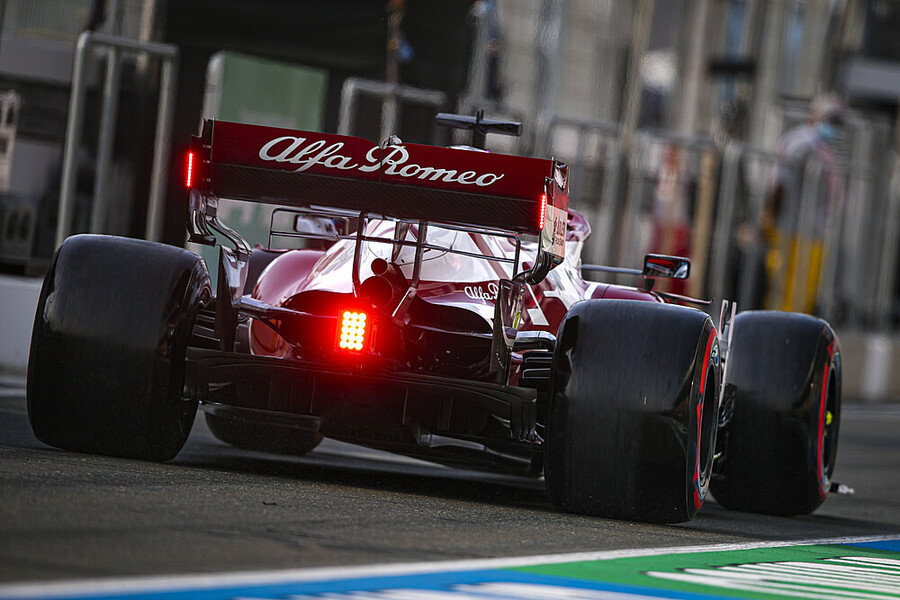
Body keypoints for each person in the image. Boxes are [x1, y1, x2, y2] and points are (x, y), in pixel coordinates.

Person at [763, 94, 846, 313]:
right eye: (832, 119)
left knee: (804, 295)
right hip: (792, 231)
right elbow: (780, 182)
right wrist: (772, 216)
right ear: (815, 115)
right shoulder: (801, 143)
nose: (835, 126)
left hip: (812, 233)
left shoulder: (823, 147)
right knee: (785, 292)